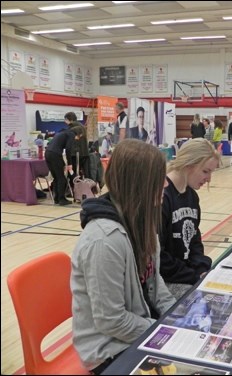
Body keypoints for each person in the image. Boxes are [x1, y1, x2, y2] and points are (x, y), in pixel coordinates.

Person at [71, 139, 176, 374]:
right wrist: (162, 329)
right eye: (159, 178)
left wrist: (177, 317)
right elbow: (111, 320)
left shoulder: (142, 223)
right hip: (108, 350)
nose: (166, 184)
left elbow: (155, 284)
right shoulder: (104, 241)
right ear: (140, 184)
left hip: (137, 331)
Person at [159, 138, 221, 299]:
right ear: (189, 164)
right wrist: (192, 277)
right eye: (205, 171)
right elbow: (159, 257)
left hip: (187, 275)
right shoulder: (161, 197)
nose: (209, 179)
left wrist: (201, 269)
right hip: (166, 281)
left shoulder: (191, 196)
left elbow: (194, 241)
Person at [44, 125, 84, 206]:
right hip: (55, 154)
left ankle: (57, 198)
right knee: (62, 178)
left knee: (57, 177)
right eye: (80, 136)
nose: (78, 139)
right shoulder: (71, 135)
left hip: (48, 153)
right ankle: (62, 199)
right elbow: (69, 150)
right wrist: (69, 164)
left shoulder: (63, 132)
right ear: (78, 133)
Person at [65, 111, 89, 179]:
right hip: (84, 153)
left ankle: (74, 187)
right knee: (80, 172)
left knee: (73, 173)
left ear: (69, 119)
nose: (65, 122)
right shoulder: (82, 125)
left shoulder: (71, 126)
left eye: (65, 119)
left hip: (75, 153)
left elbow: (68, 138)